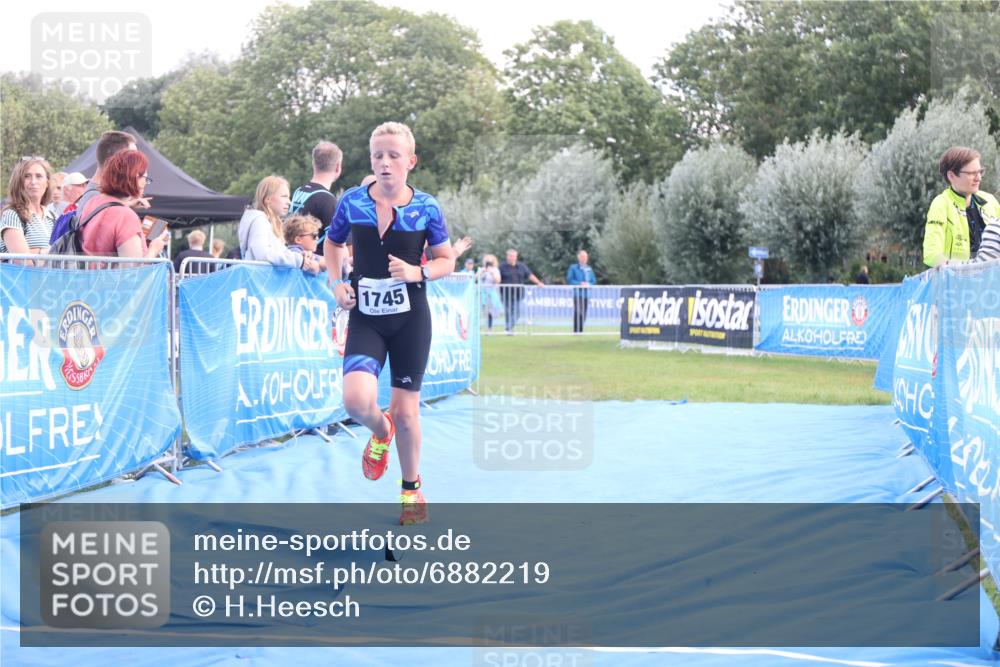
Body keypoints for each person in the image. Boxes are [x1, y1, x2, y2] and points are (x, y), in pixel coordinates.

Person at [323, 121, 454, 525]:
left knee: (407, 411)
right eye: (377, 155)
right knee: (357, 401)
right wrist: (335, 282)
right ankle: (381, 433)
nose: (384, 162)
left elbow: (447, 259)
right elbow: (332, 242)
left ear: (410, 162)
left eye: (393, 155)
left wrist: (420, 272)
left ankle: (411, 491)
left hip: (410, 320)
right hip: (366, 317)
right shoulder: (351, 202)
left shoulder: (426, 207)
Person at [78, 150, 169, 260]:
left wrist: (127, 204)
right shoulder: (126, 216)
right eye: (145, 178)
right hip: (112, 277)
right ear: (135, 177)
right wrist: (154, 249)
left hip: (89, 275)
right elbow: (133, 270)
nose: (145, 183)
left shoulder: (94, 201)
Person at [923, 146, 1000, 267]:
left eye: (980, 172)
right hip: (957, 282)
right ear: (951, 176)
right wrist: (962, 270)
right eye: (972, 173)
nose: (979, 178)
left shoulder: (990, 201)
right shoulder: (941, 204)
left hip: (991, 281)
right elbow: (931, 255)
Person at [238, 176, 321, 274]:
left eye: (289, 197)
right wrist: (299, 260)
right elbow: (263, 254)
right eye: (284, 196)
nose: (289, 202)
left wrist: (300, 255)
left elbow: (278, 253)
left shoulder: (267, 222)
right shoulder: (259, 222)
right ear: (267, 199)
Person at [0, 157, 56, 264]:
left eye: (39, 176)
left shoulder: (53, 217)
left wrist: (35, 253)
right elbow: (24, 262)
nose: (33, 182)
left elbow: (65, 256)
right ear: (19, 182)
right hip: (23, 280)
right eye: (27, 176)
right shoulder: (12, 215)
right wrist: (45, 253)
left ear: (47, 182)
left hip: (51, 280)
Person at [289, 141, 342, 254]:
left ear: (313, 164)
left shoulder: (299, 191)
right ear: (338, 167)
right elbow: (335, 244)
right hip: (315, 266)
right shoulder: (328, 200)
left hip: (296, 259)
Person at [76, 130, 137, 214]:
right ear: (114, 160)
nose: (135, 164)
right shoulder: (97, 198)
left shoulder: (96, 196)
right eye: (131, 159)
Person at [498, 248, 544, 333]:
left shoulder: (521, 266)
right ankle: (509, 329)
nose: (512, 258)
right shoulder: (502, 267)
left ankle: (508, 328)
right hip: (506, 294)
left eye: (514, 256)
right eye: (510, 256)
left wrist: (538, 282)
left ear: (516, 257)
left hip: (518, 294)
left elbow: (529, 275)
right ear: (507, 257)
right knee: (508, 312)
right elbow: (497, 278)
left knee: (517, 312)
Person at [566, 249, 597, 333]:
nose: (585, 258)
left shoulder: (589, 268)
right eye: (583, 256)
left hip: (586, 295)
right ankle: (576, 331)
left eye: (586, 257)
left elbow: (594, 281)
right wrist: (580, 283)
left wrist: (589, 284)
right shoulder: (573, 268)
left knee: (584, 314)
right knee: (578, 312)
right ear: (578, 257)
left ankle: (581, 330)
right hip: (578, 294)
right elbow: (569, 280)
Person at [479, 253, 502, 331]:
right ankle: (479, 327)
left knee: (490, 311)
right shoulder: (481, 269)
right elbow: (475, 279)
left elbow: (498, 281)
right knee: (482, 311)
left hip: (491, 293)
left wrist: (491, 272)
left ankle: (489, 327)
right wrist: (482, 272)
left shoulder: (495, 270)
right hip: (481, 293)